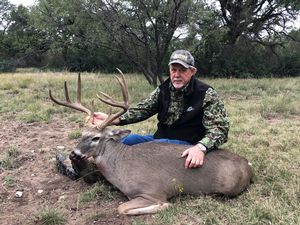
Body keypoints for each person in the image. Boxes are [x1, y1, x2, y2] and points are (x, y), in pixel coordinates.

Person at [92, 49, 229, 169]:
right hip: (160, 139)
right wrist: (116, 120)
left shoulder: (206, 93)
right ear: (169, 70)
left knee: (145, 151)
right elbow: (143, 109)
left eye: (182, 70)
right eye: (173, 70)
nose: (176, 75)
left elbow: (220, 129)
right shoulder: (163, 89)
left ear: (192, 71)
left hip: (187, 144)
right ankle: (96, 166)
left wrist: (201, 148)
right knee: (125, 141)